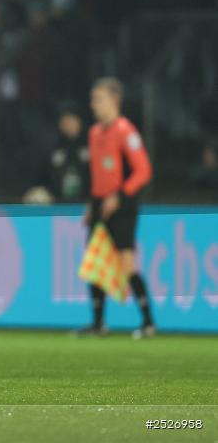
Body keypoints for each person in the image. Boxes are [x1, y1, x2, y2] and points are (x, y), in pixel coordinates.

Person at [76, 77, 154, 338]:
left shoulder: (125, 131)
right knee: (95, 261)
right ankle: (98, 323)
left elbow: (143, 171)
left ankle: (148, 322)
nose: (93, 104)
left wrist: (119, 196)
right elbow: (97, 174)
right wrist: (92, 204)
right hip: (100, 202)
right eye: (93, 99)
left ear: (115, 100)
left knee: (126, 262)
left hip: (123, 203)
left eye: (98, 99)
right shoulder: (94, 133)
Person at [23, 103, 89, 204]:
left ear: (79, 121)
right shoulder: (52, 149)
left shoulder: (91, 145)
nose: (68, 124)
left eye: (71, 120)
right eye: (65, 121)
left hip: (87, 204)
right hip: (57, 205)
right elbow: (40, 178)